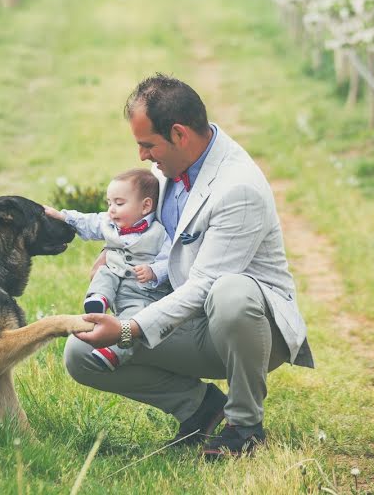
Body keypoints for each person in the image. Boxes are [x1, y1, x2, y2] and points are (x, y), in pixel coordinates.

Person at [64, 74, 314, 459]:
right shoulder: (170, 170)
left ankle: (245, 426)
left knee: (230, 291)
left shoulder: (238, 187)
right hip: (187, 317)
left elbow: (204, 286)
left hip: (247, 329)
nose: (142, 157)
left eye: (148, 145)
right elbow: (156, 233)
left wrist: (129, 328)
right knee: (80, 355)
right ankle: (202, 410)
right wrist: (119, 252)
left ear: (179, 134)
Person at [44, 168, 171, 372]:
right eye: (109, 203)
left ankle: (114, 353)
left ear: (146, 205)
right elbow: (90, 221)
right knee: (105, 272)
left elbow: (169, 260)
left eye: (119, 203)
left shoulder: (160, 233)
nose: (111, 209)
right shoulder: (110, 222)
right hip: (114, 275)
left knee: (136, 319)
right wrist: (62, 216)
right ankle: (99, 299)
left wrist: (153, 271)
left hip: (142, 293)